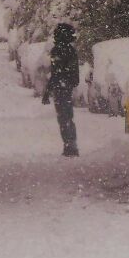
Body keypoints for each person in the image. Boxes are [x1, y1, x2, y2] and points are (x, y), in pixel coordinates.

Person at [42, 23, 80, 157]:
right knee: (67, 117)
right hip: (66, 87)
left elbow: (56, 72)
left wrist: (48, 91)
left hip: (60, 87)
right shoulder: (71, 50)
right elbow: (74, 75)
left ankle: (69, 145)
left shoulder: (58, 50)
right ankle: (71, 144)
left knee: (64, 117)